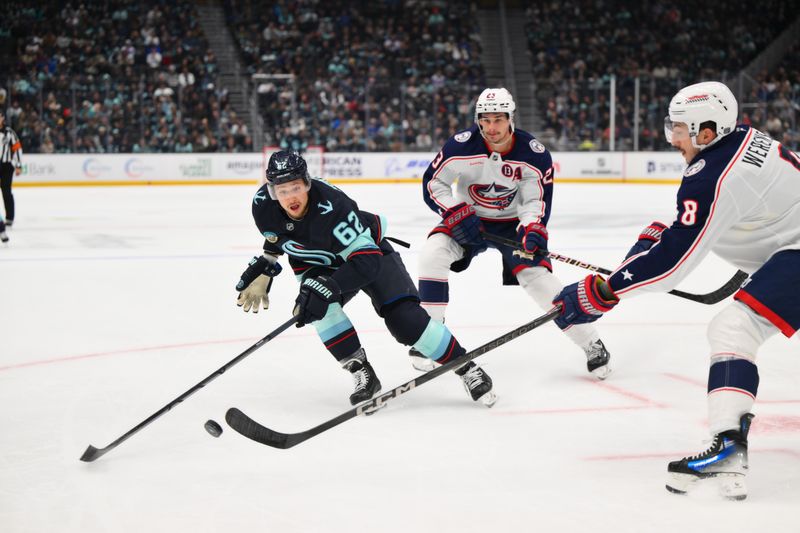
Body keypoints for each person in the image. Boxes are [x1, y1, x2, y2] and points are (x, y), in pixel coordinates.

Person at [552, 81, 800, 500]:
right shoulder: (738, 141)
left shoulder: (713, 174)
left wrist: (601, 292)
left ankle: (727, 449)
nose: (674, 138)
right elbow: (718, 220)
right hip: (790, 250)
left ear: (707, 131)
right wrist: (663, 240)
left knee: (734, 330)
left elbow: (673, 268)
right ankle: (729, 448)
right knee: (734, 329)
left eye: (680, 129)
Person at [234, 150, 497, 407]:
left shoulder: (332, 204)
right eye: (282, 191)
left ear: (307, 183)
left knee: (405, 321)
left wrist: (332, 285)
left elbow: (367, 260)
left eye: (295, 187)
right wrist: (269, 261)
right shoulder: (262, 207)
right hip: (317, 263)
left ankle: (466, 366)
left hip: (367, 253)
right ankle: (362, 372)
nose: (290, 196)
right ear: (271, 192)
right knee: (316, 308)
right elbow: (279, 236)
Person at [411, 88, 612, 378]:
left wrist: (532, 229)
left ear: (510, 118)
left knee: (539, 281)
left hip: (512, 224)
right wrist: (455, 211)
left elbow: (534, 202)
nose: (491, 128)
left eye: (498, 119)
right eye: (485, 120)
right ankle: (430, 340)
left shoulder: (533, 154)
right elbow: (434, 183)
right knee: (432, 254)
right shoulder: (460, 146)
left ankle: (591, 342)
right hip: (468, 219)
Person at [0, 110, 22, 229]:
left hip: (6, 166)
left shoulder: (9, 133)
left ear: (3, 118)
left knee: (6, 192)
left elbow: (17, 148)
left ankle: (9, 218)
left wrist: (18, 165)